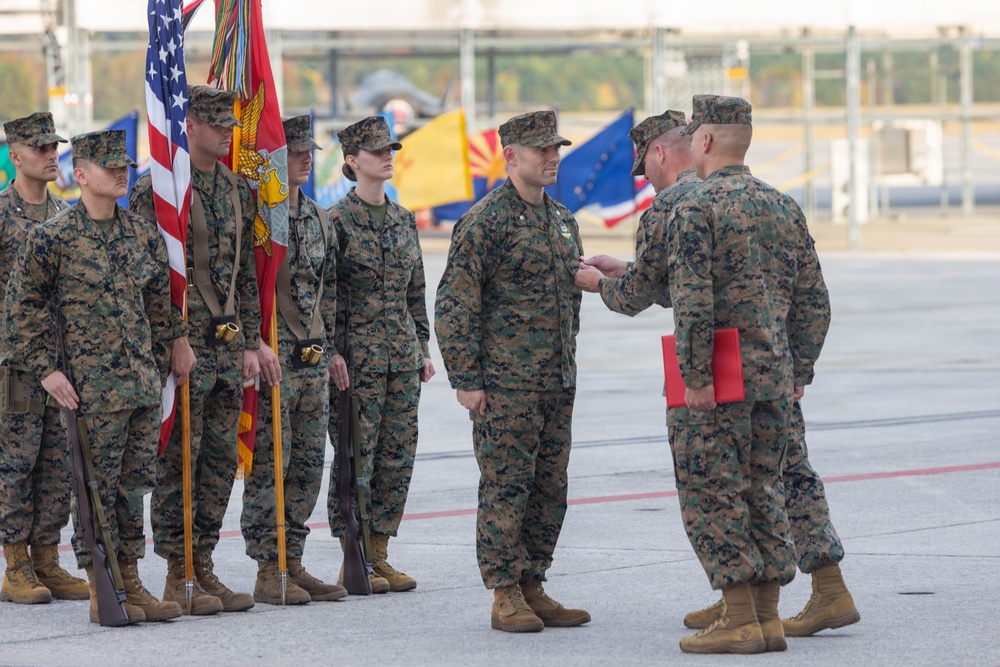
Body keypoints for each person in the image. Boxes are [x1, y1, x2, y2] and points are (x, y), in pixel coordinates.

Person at [578, 95, 832, 654]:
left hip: (718, 373)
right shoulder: (782, 204)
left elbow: (692, 300)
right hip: (772, 374)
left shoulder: (693, 207)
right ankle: (764, 618)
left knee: (711, 492)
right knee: (763, 489)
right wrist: (800, 369)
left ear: (707, 142)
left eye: (694, 135)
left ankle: (739, 618)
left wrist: (694, 378)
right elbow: (815, 300)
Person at [5, 129, 185, 624]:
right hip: (90, 392)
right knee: (94, 491)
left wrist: (164, 355)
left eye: (124, 165)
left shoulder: (141, 232)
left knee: (133, 489)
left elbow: (158, 305)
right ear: (80, 175)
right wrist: (47, 371)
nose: (122, 173)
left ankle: (130, 580)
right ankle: (99, 584)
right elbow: (22, 312)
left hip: (140, 387)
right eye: (110, 167)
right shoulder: (52, 238)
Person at [435, 110, 591, 633]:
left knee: (551, 486)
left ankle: (533, 582)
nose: (552, 158)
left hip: (556, 380)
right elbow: (455, 304)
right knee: (506, 486)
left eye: (556, 149)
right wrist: (467, 379)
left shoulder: (563, 220)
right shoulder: (484, 222)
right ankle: (504, 590)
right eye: (541, 149)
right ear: (511, 156)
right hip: (506, 385)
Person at [130, 85, 264, 615]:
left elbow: (246, 275)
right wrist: (172, 339)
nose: (227, 131)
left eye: (229, 124)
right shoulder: (159, 191)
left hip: (228, 351)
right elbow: (150, 277)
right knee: (178, 462)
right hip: (184, 350)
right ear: (188, 125)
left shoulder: (238, 189)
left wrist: (252, 342)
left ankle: (202, 564)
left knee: (216, 462)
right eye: (215, 124)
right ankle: (174, 570)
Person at [324, 115, 434, 594]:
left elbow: (416, 293)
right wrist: (330, 352)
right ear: (352, 161)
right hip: (356, 365)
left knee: (396, 456)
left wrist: (423, 347)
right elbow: (323, 297)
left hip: (401, 359)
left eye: (389, 148)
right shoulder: (335, 224)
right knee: (355, 457)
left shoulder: (403, 220)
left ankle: (381, 550)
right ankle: (354, 551)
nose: (387, 156)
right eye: (375, 151)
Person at [240, 115, 345, 605]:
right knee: (271, 462)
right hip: (275, 356)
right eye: (294, 152)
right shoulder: (263, 218)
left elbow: (328, 292)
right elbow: (247, 283)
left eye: (308, 152)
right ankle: (268, 566)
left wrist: (329, 347)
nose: (304, 159)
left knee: (307, 462)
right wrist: (253, 342)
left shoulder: (320, 218)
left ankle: (294, 561)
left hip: (311, 357)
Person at [0, 112, 87, 605]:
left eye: (54, 146)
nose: (51, 155)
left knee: (58, 461)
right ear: (15, 155)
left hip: (61, 363)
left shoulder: (64, 216)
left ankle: (48, 560)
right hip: (14, 364)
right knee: (17, 463)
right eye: (39, 148)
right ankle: (15, 566)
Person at [583, 109, 700, 295]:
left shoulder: (666, 204)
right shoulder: (725, 189)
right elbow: (683, 280)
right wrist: (622, 268)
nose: (645, 175)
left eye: (644, 164)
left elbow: (638, 294)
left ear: (660, 153)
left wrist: (599, 283)